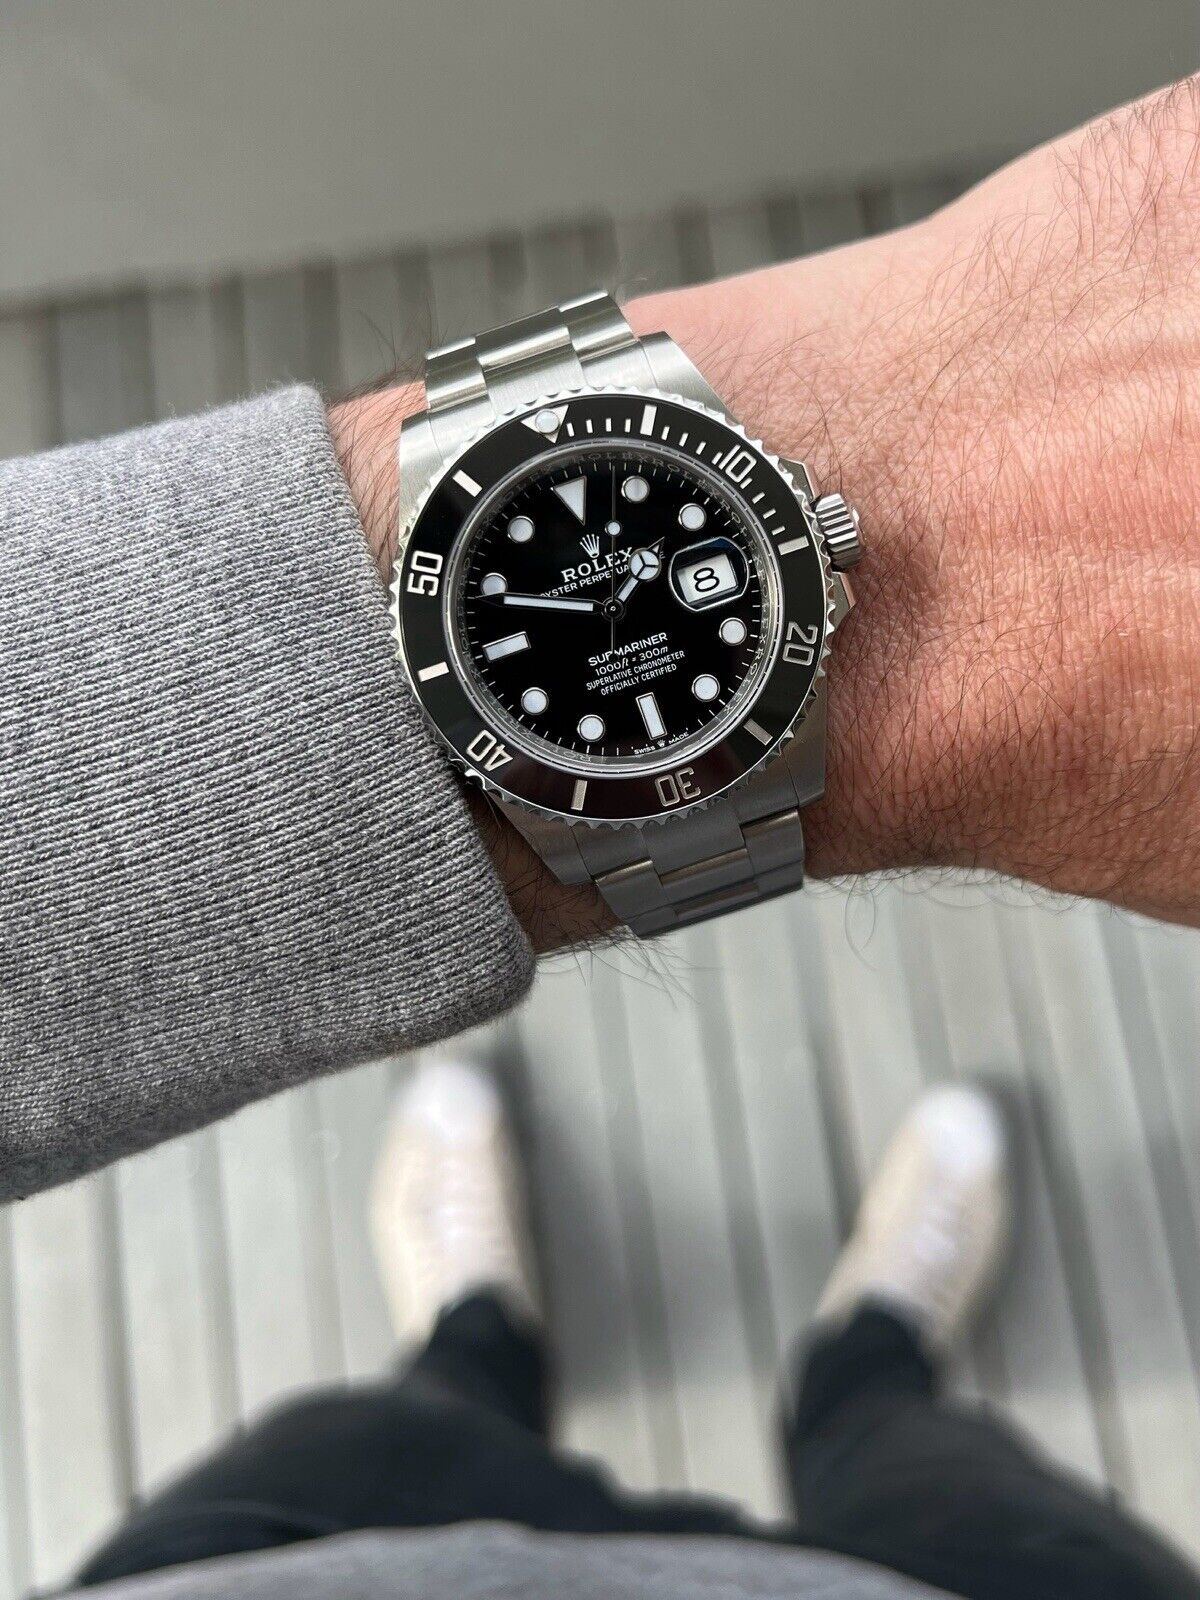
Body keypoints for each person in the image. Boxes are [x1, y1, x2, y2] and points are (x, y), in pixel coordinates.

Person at [1, 67, 1199, 1600]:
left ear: (810, 537)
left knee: (395, 1432)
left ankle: (500, 1338)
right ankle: (873, 1362)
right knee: (944, 1479)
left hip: (286, 1553)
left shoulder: (744, 561)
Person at [75, 1062, 1200, 1600]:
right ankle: (876, 1347)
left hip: (277, 1571)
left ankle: (475, 1327)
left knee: (421, 1413)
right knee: (904, 1442)